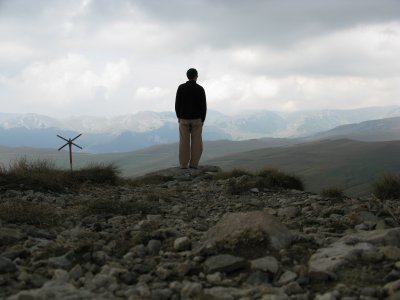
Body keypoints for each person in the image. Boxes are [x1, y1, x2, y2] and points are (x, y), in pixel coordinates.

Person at [175, 68, 207, 169]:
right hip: (197, 119)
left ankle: (184, 165)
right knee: (197, 142)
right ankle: (194, 164)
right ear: (196, 76)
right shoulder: (200, 89)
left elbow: (177, 104)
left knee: (184, 142)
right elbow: (203, 106)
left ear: (187, 76)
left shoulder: (181, 88)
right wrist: (202, 119)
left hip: (183, 118)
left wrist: (179, 116)